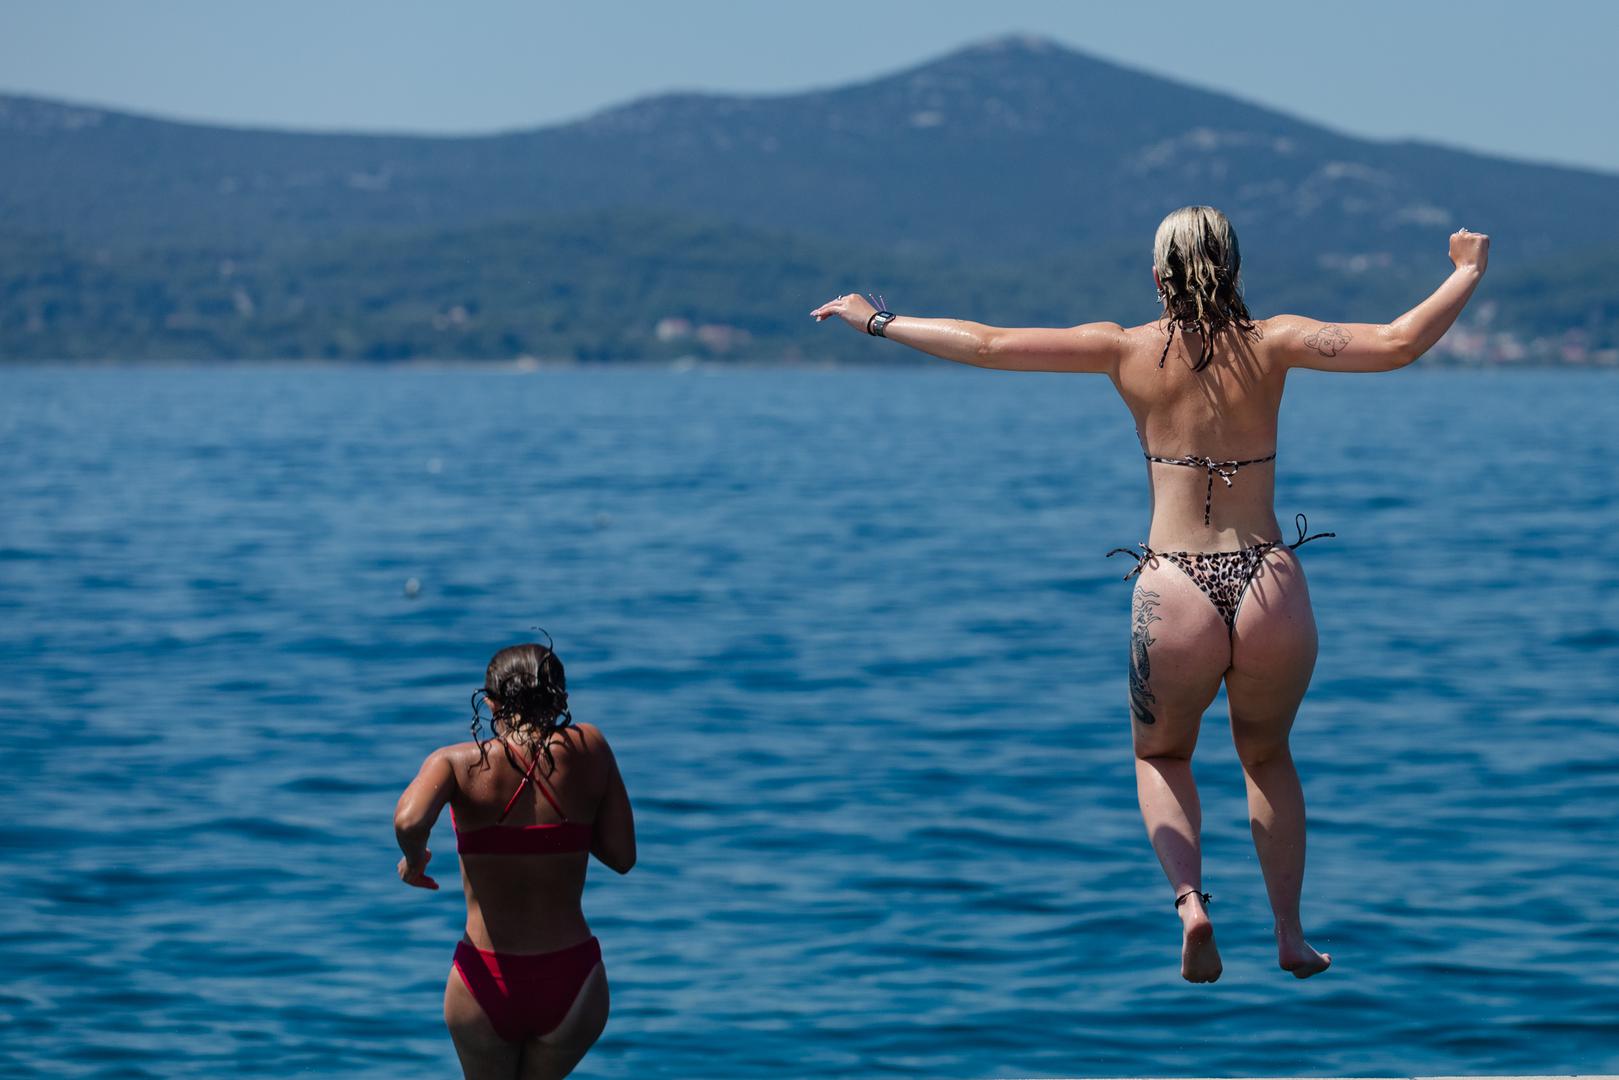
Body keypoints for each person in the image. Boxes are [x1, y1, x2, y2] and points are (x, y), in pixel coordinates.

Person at [812, 207, 1488, 983]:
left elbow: (987, 344)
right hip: (1267, 582)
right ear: (1234, 266)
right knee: (1266, 757)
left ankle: (1191, 903)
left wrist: (877, 320)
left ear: (1158, 274)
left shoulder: (1122, 347)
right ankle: (1290, 934)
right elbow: (1399, 342)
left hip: (1174, 587)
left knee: (1162, 754)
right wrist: (1465, 271)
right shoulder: (1275, 341)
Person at [394, 640, 636, 1077]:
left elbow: (409, 821)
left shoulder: (456, 763)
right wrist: (568, 825)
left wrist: (414, 861)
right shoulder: (592, 748)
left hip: (485, 980)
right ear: (559, 697)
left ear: (490, 702)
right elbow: (622, 857)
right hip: (573, 978)